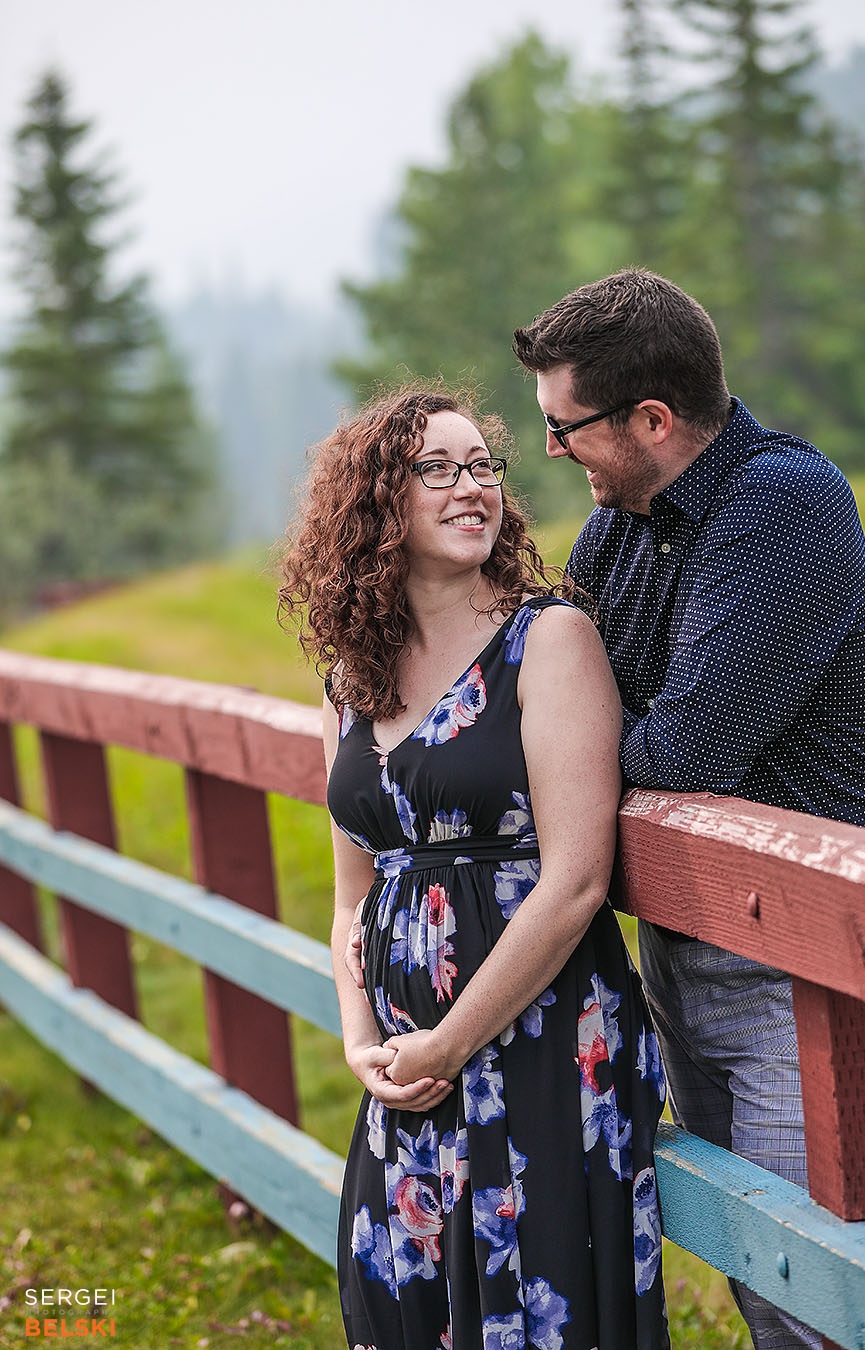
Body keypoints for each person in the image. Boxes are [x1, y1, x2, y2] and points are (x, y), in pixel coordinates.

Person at [512, 268, 865, 1350]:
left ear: (653, 418)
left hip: (814, 962)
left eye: (565, 426)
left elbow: (685, 749)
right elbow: (549, 706)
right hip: (692, 944)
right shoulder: (620, 532)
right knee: (753, 1262)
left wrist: (581, 749)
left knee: (821, 1284)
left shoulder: (782, 503)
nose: (552, 452)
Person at [279, 387, 670, 1350]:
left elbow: (578, 878)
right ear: (378, 503)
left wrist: (453, 1043)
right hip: (406, 1064)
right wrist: (361, 1041)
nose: (472, 488)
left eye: (483, 466)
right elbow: (352, 897)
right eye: (438, 469)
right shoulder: (351, 674)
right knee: (403, 1303)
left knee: (538, 1312)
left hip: (537, 1041)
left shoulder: (550, 641)